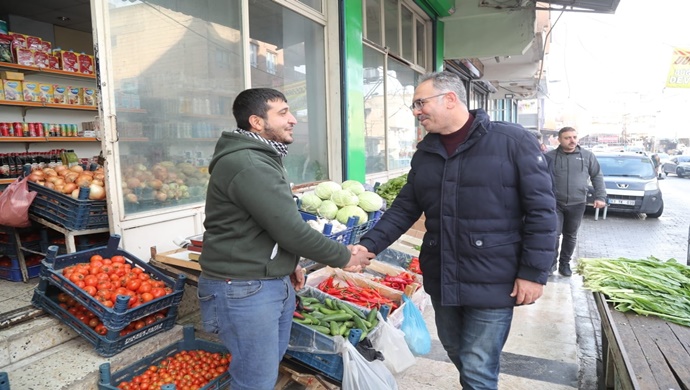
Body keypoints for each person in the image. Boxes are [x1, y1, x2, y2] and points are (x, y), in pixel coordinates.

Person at [353, 71, 557, 390]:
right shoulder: (427, 152)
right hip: (444, 275)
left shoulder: (512, 141)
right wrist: (368, 246)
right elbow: (405, 207)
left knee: (477, 366)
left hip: (496, 277)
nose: (416, 111)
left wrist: (533, 272)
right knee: (456, 351)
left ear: (450, 99)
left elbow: (542, 211)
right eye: (414, 105)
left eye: (421, 103)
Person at [197, 88, 375, 390]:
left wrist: (285, 261)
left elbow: (265, 223)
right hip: (242, 288)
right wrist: (346, 256)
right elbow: (289, 229)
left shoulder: (261, 157)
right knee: (256, 380)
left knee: (264, 370)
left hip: (263, 283)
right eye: (283, 113)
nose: (292, 119)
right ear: (256, 121)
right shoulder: (250, 164)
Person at [545, 127, 607, 277]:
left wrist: (600, 197)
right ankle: (550, 265)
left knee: (571, 235)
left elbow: (597, 176)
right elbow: (541, 178)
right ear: (559, 140)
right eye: (567, 138)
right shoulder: (550, 157)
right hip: (555, 203)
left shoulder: (587, 156)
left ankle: (565, 264)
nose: (572, 140)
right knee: (553, 235)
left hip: (577, 202)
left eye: (574, 137)